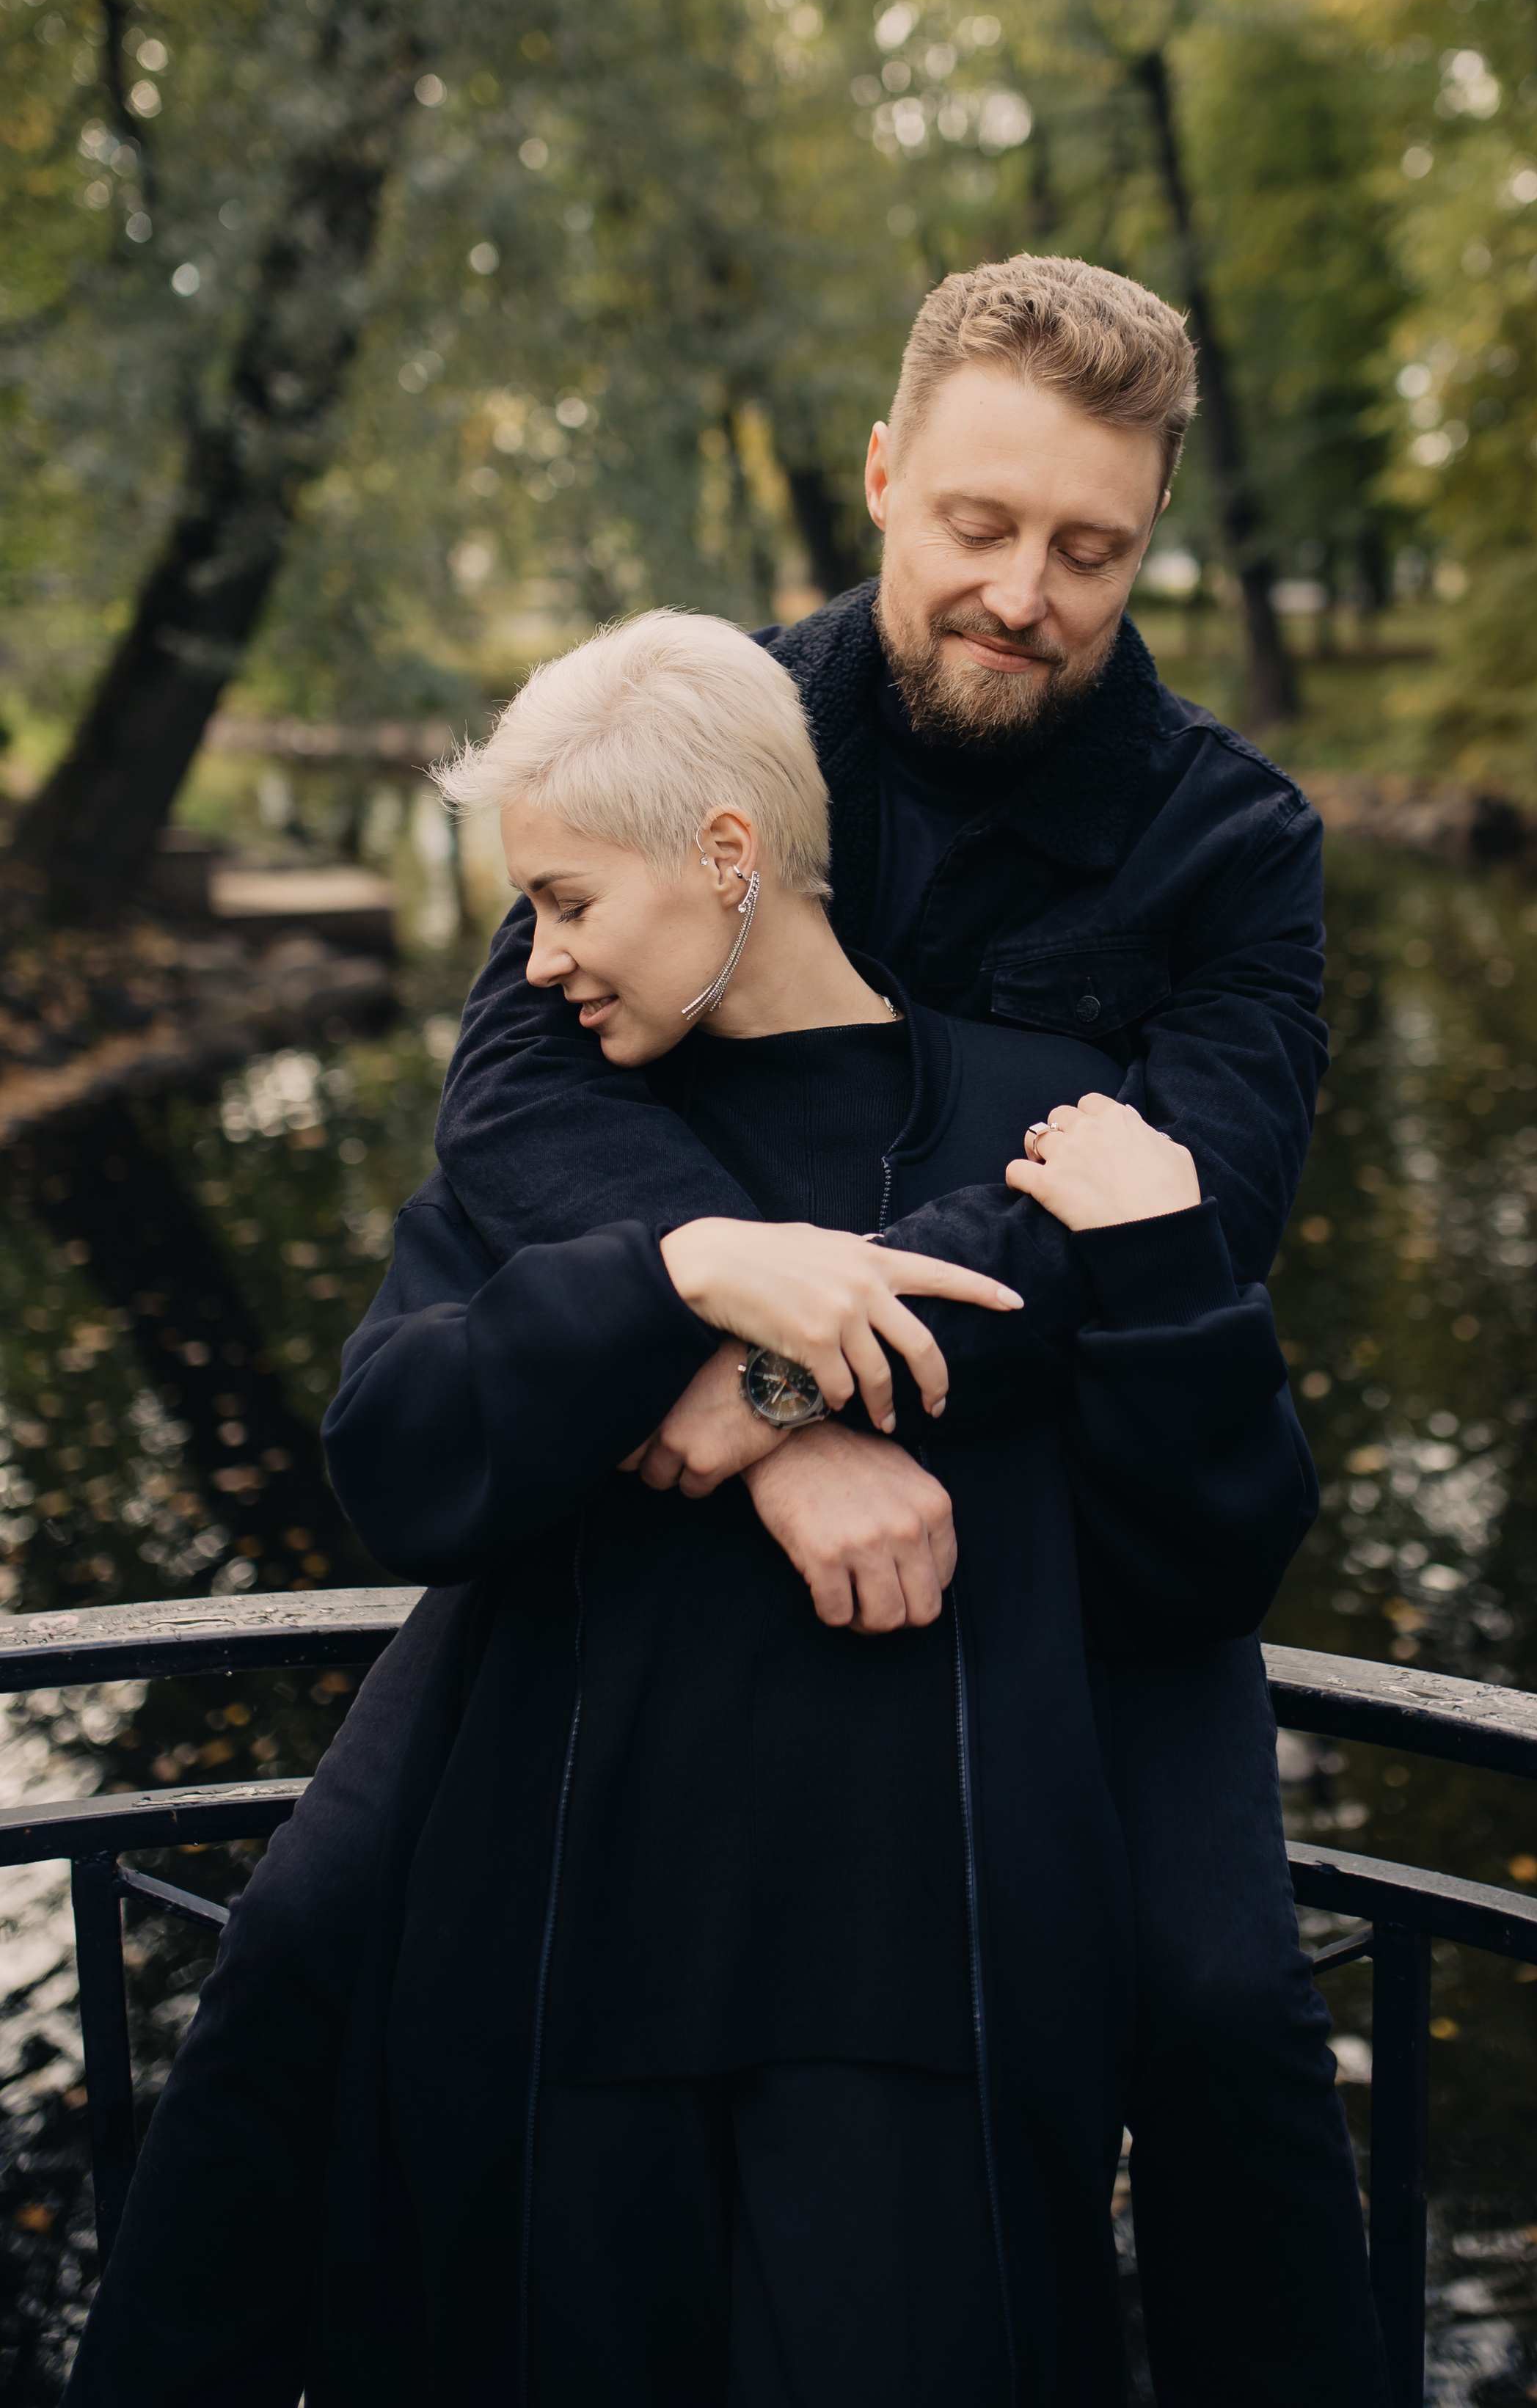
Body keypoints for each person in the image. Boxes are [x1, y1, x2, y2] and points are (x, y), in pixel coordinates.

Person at [67, 255, 1390, 2408]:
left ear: (1151, 532)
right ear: (881, 476)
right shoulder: (717, 722)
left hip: (1036, 1496)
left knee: (1227, 2015)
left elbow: (1181, 1215)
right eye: (978, 525)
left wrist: (792, 1371)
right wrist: (726, 1348)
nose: (1023, 595)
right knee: (312, 1935)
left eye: (1089, 549)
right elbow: (517, 1095)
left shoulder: (1232, 839)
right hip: (671, 1431)